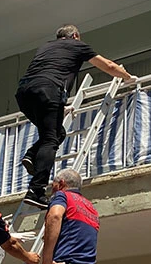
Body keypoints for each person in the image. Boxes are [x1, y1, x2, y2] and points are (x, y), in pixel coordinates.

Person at [16, 24, 137, 209]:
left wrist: (60, 107)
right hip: (49, 90)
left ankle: (32, 155)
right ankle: (36, 190)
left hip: (24, 94)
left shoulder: (45, 47)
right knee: (51, 139)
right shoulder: (77, 45)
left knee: (57, 133)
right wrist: (127, 77)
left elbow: (46, 72)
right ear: (75, 36)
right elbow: (109, 66)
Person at [40, 169, 99, 264]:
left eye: (53, 186)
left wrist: (47, 260)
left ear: (61, 183)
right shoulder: (91, 208)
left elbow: (55, 216)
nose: (52, 190)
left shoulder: (62, 195)